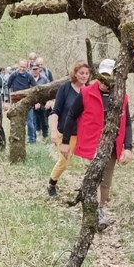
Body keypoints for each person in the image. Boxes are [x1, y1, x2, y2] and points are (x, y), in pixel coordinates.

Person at [61, 58, 132, 230]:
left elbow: (127, 123)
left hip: (112, 147)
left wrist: (128, 147)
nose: (105, 81)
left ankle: (98, 206)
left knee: (105, 183)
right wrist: (65, 141)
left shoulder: (121, 96)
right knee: (95, 178)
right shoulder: (86, 93)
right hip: (91, 144)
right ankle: (97, 213)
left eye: (108, 76)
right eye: (102, 76)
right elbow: (71, 116)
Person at [47, 59, 92, 197]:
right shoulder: (65, 88)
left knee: (90, 162)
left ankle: (88, 189)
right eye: (81, 73)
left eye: (86, 73)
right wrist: (54, 131)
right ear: (75, 73)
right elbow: (56, 111)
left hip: (83, 133)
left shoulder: (89, 90)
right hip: (66, 132)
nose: (84, 76)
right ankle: (51, 184)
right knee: (64, 163)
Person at [5, 59, 38, 142]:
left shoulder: (29, 76)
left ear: (27, 68)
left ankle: (32, 140)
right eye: (21, 67)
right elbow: (7, 86)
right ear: (18, 66)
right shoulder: (13, 75)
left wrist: (37, 101)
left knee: (30, 123)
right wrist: (6, 100)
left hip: (27, 102)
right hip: (16, 102)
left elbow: (36, 87)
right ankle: (19, 138)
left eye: (24, 67)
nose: (22, 69)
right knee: (17, 121)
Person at [29, 59, 51, 142]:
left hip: (43, 104)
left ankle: (46, 138)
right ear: (31, 70)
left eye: (36, 69)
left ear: (39, 69)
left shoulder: (44, 79)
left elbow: (49, 91)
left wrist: (49, 102)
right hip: (32, 104)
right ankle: (34, 138)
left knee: (44, 122)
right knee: (33, 122)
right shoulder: (28, 79)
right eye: (33, 69)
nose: (35, 71)